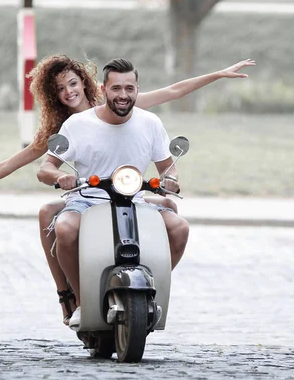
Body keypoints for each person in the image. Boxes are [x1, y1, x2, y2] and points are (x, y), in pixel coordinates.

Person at [0, 54, 255, 325]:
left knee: (173, 213)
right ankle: (72, 295)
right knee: (51, 216)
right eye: (60, 89)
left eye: (72, 84)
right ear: (53, 96)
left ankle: (145, 295)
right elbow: (13, 164)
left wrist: (219, 74)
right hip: (86, 195)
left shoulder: (124, 104)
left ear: (89, 84)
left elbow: (173, 92)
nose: (68, 92)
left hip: (130, 191)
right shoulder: (66, 127)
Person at [37, 57, 186, 330]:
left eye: (129, 88)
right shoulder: (78, 125)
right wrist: (62, 177)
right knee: (66, 229)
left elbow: (169, 168)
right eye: (116, 88)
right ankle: (83, 302)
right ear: (104, 90)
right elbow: (45, 168)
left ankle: (150, 292)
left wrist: (172, 180)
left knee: (179, 228)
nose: (123, 95)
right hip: (87, 201)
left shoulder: (150, 123)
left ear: (137, 90)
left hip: (135, 199)